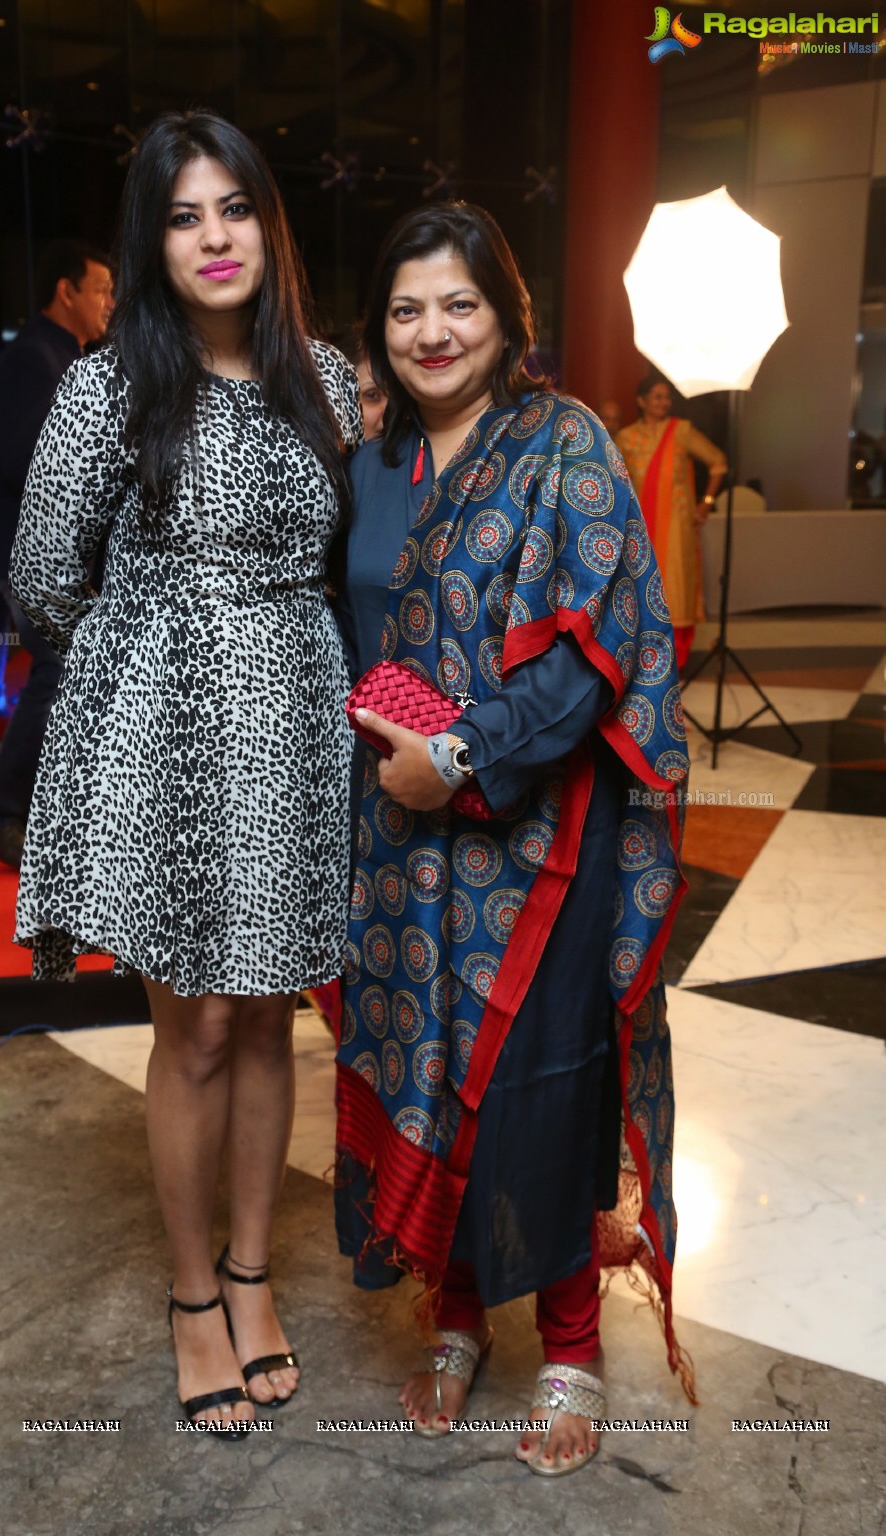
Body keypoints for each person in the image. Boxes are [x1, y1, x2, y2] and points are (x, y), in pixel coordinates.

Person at [9, 109, 361, 1432]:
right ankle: (189, 1297)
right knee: (197, 1027)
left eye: (234, 209)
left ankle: (254, 1274)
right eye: (182, 215)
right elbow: (42, 579)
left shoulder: (325, 377)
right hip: (163, 727)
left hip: (299, 719)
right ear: (150, 244)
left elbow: (354, 552)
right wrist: (147, 652)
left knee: (273, 1011)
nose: (215, 238)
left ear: (267, 224)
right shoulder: (110, 385)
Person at [334, 202, 693, 1479]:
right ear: (379, 330)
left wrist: (466, 757)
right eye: (406, 309)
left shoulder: (564, 446)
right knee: (428, 1055)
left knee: (541, 1085)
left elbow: (598, 658)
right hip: (398, 835)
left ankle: (570, 1337)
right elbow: (350, 636)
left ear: (506, 316)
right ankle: (448, 1309)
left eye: (459, 304)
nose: (433, 332)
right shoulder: (369, 464)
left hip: (537, 840)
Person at [0, 240, 114, 870]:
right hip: (35, 553)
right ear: (65, 290)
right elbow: (29, 460)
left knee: (67, 674)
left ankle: (31, 813)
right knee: (55, 672)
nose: (108, 301)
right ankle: (0, 813)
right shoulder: (34, 357)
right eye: (100, 289)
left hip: (53, 554)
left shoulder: (65, 356)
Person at [616, 371, 727, 673]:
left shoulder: (681, 431)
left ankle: (675, 662)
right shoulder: (626, 437)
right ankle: (641, 663)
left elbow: (718, 461)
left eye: (667, 397)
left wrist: (705, 503)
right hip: (640, 527)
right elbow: (616, 481)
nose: (665, 402)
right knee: (641, 589)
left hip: (677, 527)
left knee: (675, 589)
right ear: (641, 401)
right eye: (658, 397)